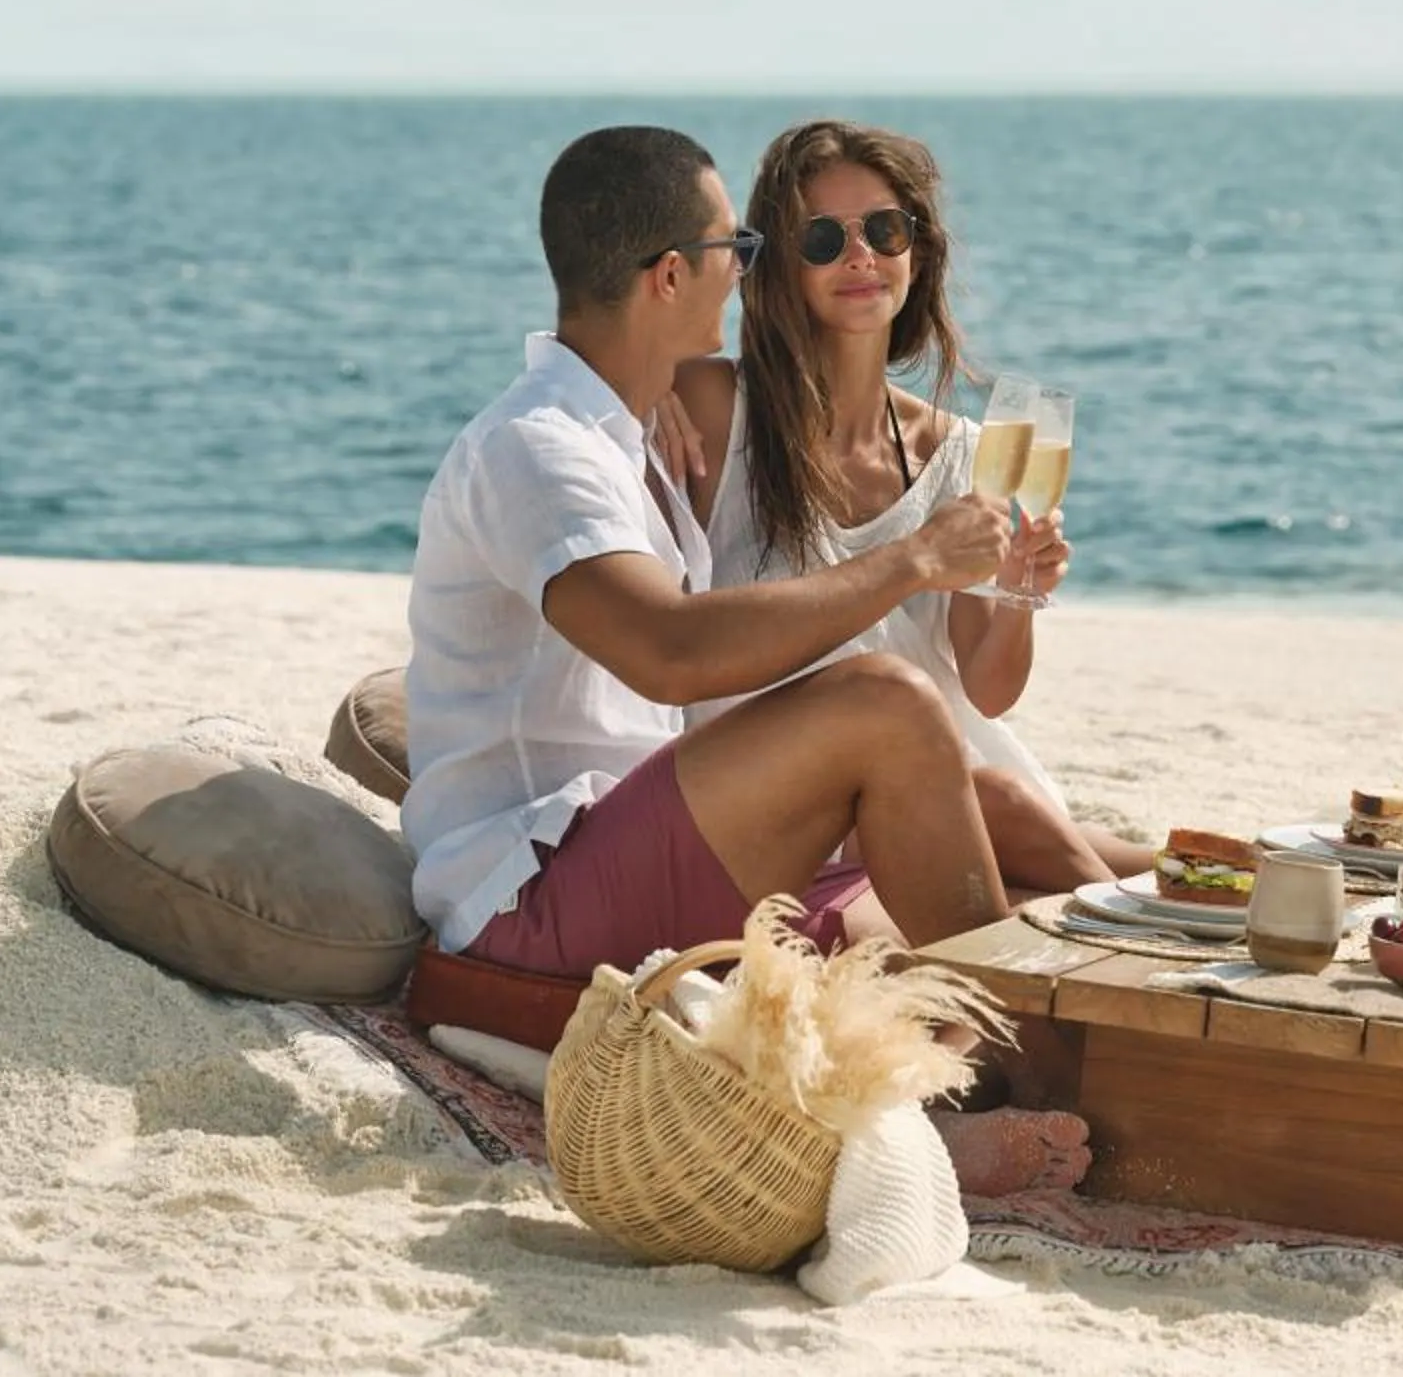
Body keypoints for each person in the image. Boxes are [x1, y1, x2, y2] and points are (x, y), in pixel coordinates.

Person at [399, 124, 1090, 1195]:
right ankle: (1044, 1080)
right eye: (740, 247)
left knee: (997, 820)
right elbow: (670, 653)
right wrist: (908, 561)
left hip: (626, 841)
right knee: (884, 701)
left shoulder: (624, 434)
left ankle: (1019, 1065)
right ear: (673, 275)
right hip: (530, 893)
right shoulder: (540, 450)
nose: (751, 268)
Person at [670, 119, 1152, 894]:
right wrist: (651, 389)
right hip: (796, 802)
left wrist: (1023, 593)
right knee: (1096, 874)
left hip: (960, 777)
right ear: (779, 264)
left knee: (1194, 872)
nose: (860, 256)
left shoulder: (961, 451)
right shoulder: (712, 408)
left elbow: (988, 691)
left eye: (885, 230)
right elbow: (580, 394)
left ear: (917, 251)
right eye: (823, 239)